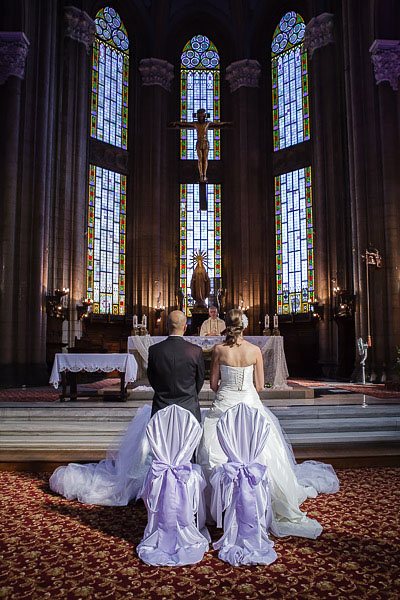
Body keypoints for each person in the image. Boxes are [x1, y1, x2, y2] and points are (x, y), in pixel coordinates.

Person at [197, 309, 340, 539]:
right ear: (244, 325)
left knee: (212, 448)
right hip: (249, 401)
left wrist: (226, 390)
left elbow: (213, 384)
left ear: (227, 326)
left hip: (224, 402)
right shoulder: (255, 351)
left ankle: (218, 505)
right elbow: (261, 386)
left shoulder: (219, 350)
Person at [147, 310, 204, 422]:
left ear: (167, 325)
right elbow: (200, 380)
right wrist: (189, 395)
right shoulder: (195, 351)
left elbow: (152, 378)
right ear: (185, 327)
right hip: (189, 408)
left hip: (161, 407)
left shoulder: (154, 350)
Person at [170, 109, 232, 182]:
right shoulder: (196, 124)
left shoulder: (207, 123)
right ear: (198, 116)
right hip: (199, 142)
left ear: (204, 116)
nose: (201, 117)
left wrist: (227, 123)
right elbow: (185, 124)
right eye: (200, 116)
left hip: (205, 142)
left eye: (202, 116)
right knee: (200, 159)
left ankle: (204, 175)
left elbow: (218, 124)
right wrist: (176, 123)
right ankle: (201, 175)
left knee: (205, 159)